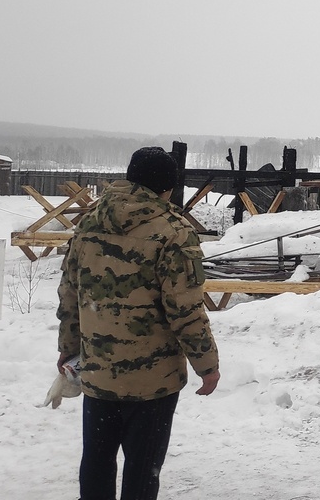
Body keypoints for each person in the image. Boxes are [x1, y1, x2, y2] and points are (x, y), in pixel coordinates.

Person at [57, 146, 220, 500]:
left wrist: (69, 350)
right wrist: (207, 365)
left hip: (98, 370)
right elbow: (185, 309)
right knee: (143, 469)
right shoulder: (174, 232)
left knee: (96, 462)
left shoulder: (89, 222)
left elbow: (70, 294)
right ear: (168, 187)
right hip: (153, 382)